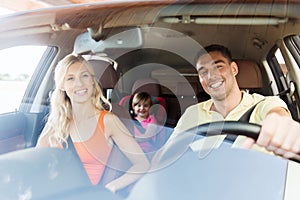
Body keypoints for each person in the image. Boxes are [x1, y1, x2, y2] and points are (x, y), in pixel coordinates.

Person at [36, 54, 149, 194]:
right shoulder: (56, 121)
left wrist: (112, 187)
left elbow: (142, 163)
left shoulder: (108, 121)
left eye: (84, 76)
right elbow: (37, 162)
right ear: (62, 86)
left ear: (92, 81)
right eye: (70, 78)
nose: (79, 84)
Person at [169, 44, 300, 159]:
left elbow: (279, 118)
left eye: (218, 67)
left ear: (234, 69)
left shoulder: (265, 104)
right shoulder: (192, 113)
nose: (211, 76)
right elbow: (167, 154)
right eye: (203, 72)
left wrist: (284, 128)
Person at [131, 92, 164, 159]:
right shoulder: (131, 120)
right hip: (134, 149)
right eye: (139, 105)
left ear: (150, 108)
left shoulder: (152, 120)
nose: (142, 108)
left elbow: (148, 136)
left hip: (148, 151)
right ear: (134, 107)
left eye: (145, 106)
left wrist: (131, 140)